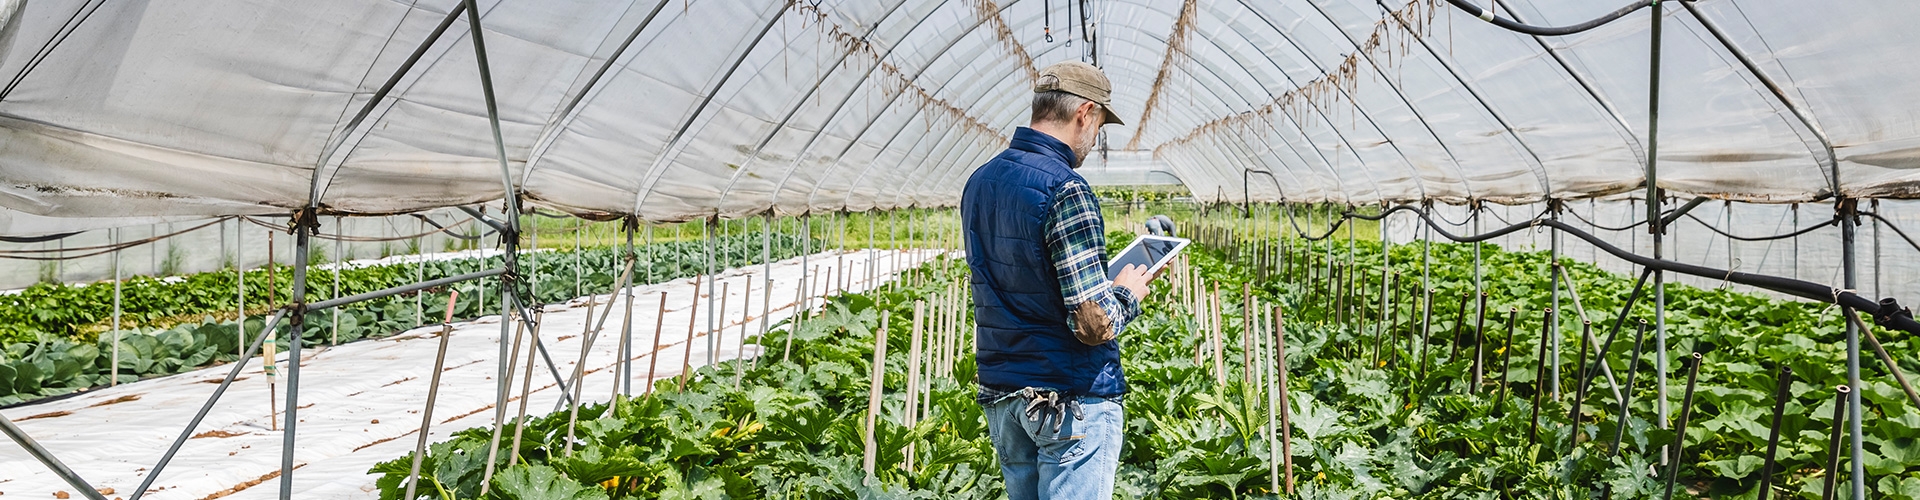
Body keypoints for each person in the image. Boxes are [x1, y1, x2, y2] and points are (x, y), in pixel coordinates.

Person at [959, 60, 1157, 499]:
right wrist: (1127, 291)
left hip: (1005, 395)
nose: (1093, 141)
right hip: (1066, 398)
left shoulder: (979, 181)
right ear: (1084, 113)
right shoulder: (1067, 188)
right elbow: (1092, 324)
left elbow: (1025, 278)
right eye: (1099, 126)